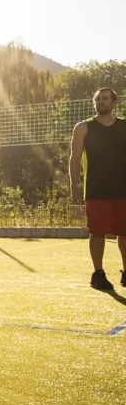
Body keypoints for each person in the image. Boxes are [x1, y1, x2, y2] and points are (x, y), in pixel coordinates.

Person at [69, 87, 126, 290]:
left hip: (123, 188)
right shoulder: (83, 127)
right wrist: (74, 187)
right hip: (96, 189)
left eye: (105, 98)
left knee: (124, 232)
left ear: (113, 102)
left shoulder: (124, 126)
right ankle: (98, 273)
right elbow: (74, 159)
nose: (100, 101)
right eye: (97, 99)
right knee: (98, 231)